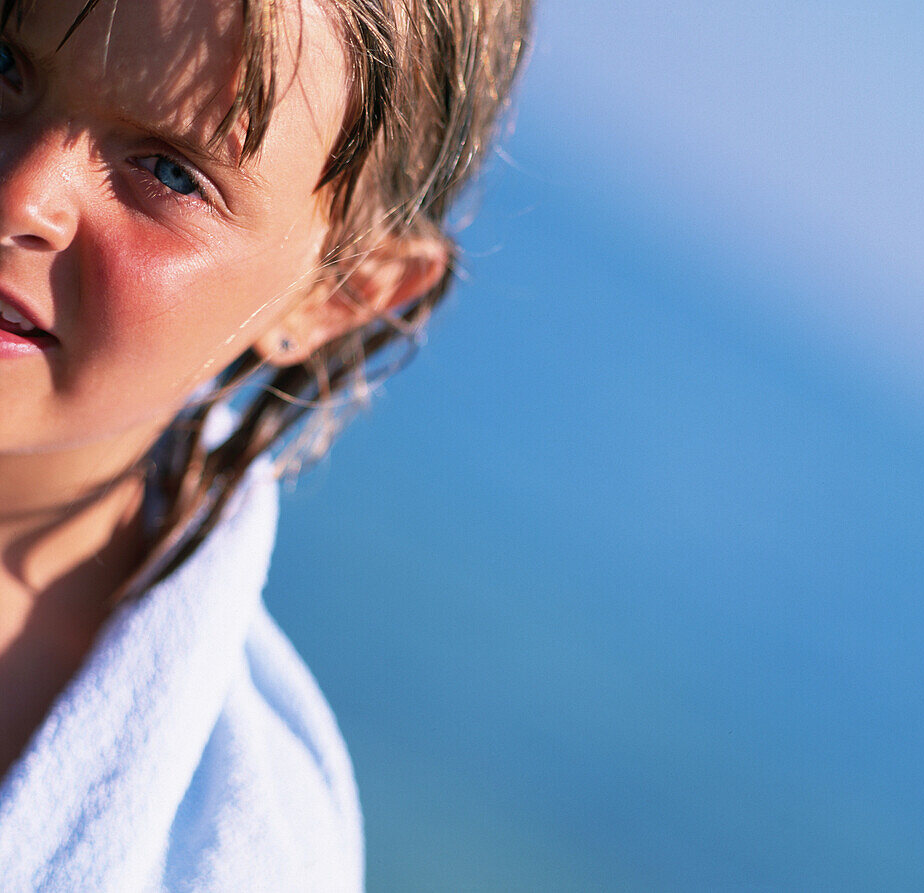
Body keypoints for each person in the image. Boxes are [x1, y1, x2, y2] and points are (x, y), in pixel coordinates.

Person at [0, 0, 531, 888]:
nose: (23, 196)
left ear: (343, 296)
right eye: (5, 65)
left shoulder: (247, 844)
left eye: (170, 172)